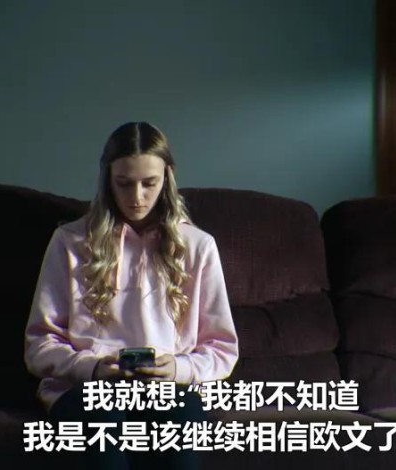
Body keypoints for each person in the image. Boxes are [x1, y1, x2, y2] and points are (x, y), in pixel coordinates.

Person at [24, 121, 240, 470]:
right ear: (108, 179)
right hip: (87, 388)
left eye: (149, 183)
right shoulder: (69, 242)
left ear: (167, 178)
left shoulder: (198, 246)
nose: (136, 197)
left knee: (179, 420)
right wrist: (93, 368)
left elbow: (222, 349)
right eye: (124, 183)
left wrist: (178, 369)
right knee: (102, 420)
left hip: (169, 390)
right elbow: (39, 344)